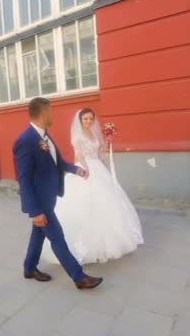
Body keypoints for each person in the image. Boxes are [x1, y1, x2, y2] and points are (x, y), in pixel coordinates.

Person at [13, 97, 103, 290]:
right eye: (50, 111)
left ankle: (29, 268)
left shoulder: (44, 136)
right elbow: (24, 179)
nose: (53, 114)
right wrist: (35, 211)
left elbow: (57, 162)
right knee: (57, 236)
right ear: (42, 113)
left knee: (38, 233)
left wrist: (76, 169)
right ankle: (79, 277)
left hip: (50, 196)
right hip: (40, 202)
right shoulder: (26, 140)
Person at [41, 108, 143, 265]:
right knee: (86, 204)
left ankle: (112, 238)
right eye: (85, 119)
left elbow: (100, 152)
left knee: (108, 202)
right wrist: (84, 168)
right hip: (85, 169)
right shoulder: (77, 136)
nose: (88, 122)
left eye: (91, 119)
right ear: (80, 121)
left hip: (98, 168)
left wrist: (108, 142)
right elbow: (78, 155)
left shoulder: (95, 135)